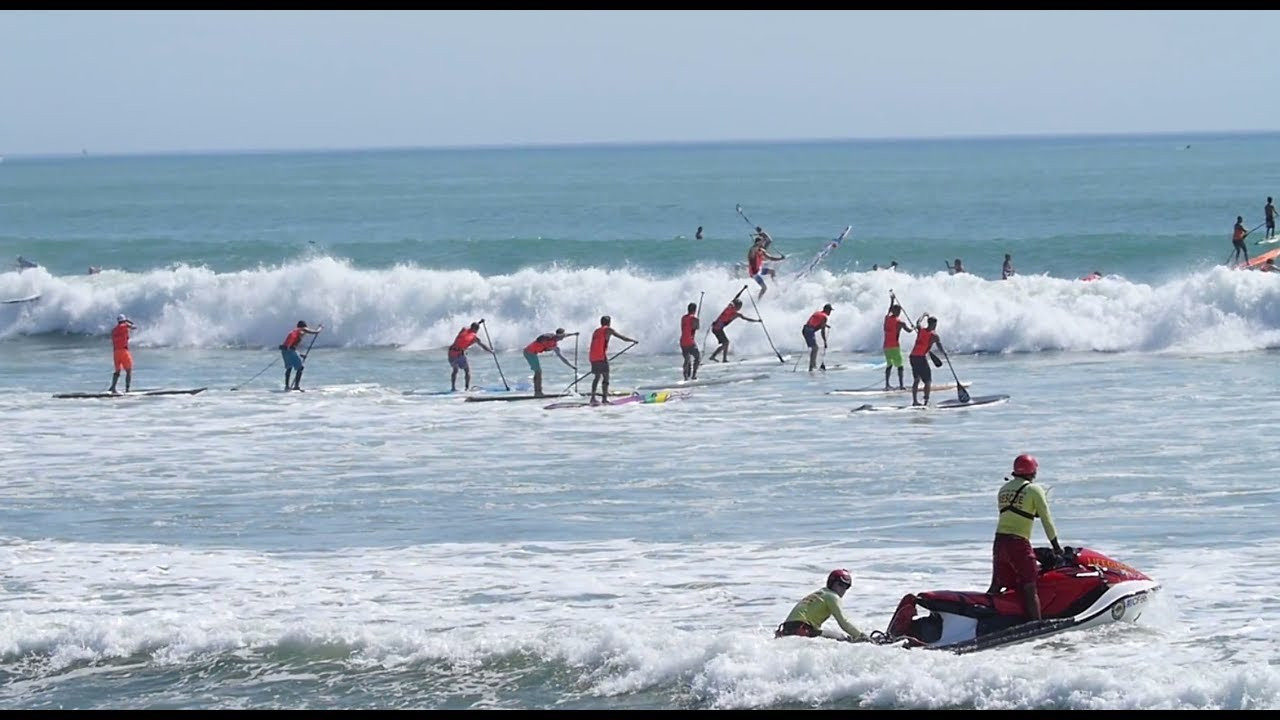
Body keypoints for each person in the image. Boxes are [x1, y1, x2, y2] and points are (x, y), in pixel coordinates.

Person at [987, 454, 1064, 622]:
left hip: (999, 542)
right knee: (1029, 587)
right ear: (1032, 471)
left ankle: (984, 618)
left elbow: (1013, 513)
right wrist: (1056, 547)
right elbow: (1047, 520)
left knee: (997, 585)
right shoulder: (1034, 490)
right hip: (1018, 543)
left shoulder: (1004, 489)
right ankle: (1036, 625)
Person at [774, 569, 868, 642]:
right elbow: (844, 622)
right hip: (802, 629)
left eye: (846, 586)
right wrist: (862, 636)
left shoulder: (820, 593)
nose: (843, 589)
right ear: (831, 583)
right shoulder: (832, 597)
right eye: (840, 584)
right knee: (842, 638)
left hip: (786, 630)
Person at [588, 316, 637, 405]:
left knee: (597, 377)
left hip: (592, 356)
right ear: (609, 322)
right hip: (601, 357)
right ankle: (604, 399)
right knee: (606, 377)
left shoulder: (596, 331)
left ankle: (593, 398)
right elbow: (622, 338)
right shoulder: (608, 329)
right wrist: (633, 341)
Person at [524, 328, 576, 397]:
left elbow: (562, 358)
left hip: (533, 353)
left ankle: (538, 392)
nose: (562, 338)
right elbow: (539, 339)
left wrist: (572, 366)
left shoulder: (555, 347)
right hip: (529, 352)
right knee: (538, 371)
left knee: (538, 371)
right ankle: (538, 392)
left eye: (563, 336)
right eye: (561, 336)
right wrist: (544, 339)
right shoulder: (549, 337)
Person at [707, 298, 761, 363]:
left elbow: (746, 319)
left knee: (725, 343)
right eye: (739, 306)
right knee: (726, 343)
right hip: (716, 328)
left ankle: (718, 357)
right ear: (736, 305)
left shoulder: (737, 314)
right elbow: (733, 301)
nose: (740, 308)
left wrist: (756, 321)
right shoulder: (729, 308)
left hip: (719, 328)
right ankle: (719, 358)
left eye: (740, 306)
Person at [448, 321, 493, 392]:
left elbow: (469, 329)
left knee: (455, 370)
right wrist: (491, 351)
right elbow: (483, 346)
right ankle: (467, 388)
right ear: (476, 329)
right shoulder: (474, 338)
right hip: (459, 354)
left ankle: (453, 388)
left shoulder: (463, 329)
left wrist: (479, 322)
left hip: (451, 353)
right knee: (467, 370)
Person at [909, 315, 944, 406]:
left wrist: (923, 315)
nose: (935, 326)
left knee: (916, 379)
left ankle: (915, 401)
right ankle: (926, 401)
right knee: (928, 381)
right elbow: (939, 346)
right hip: (920, 358)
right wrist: (944, 353)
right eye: (935, 324)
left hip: (912, 357)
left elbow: (918, 322)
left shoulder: (921, 330)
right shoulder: (934, 335)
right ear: (933, 324)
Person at [280, 320, 324, 391]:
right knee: (300, 367)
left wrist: (300, 355)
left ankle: (287, 386)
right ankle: (296, 386)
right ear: (304, 326)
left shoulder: (294, 331)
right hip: (290, 351)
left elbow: (292, 348)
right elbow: (316, 332)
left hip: (284, 350)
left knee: (289, 368)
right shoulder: (302, 329)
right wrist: (320, 328)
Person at [883, 298, 915, 390]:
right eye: (899, 311)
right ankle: (901, 385)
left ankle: (887, 384)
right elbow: (909, 331)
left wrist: (892, 300)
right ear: (897, 312)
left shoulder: (887, 318)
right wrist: (914, 327)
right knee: (900, 366)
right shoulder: (900, 322)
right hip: (894, 346)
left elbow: (889, 309)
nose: (900, 312)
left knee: (889, 365)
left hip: (886, 346)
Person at [108, 314, 137, 394]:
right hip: (124, 351)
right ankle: (127, 389)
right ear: (124, 320)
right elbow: (134, 327)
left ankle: (113, 387)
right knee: (128, 370)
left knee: (117, 371)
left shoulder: (114, 330)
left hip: (115, 352)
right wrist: (128, 321)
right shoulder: (124, 326)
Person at [802, 303, 832, 372]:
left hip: (805, 329)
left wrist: (825, 325)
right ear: (827, 310)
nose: (830, 312)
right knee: (815, 348)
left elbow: (815, 322)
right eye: (830, 310)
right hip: (809, 331)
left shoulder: (817, 313)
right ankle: (811, 367)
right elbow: (822, 331)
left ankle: (813, 365)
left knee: (814, 348)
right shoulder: (824, 317)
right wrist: (825, 342)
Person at [679, 302, 701, 380]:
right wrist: (698, 321)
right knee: (697, 357)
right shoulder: (693, 318)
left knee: (687, 359)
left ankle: (685, 376)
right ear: (694, 310)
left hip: (682, 341)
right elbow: (697, 327)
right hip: (690, 342)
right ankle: (693, 375)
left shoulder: (683, 318)